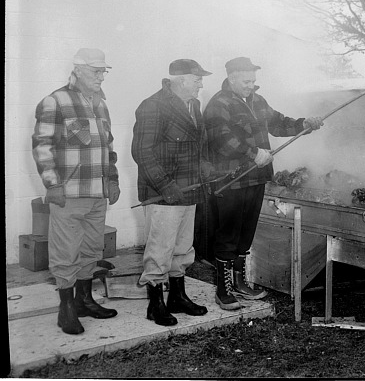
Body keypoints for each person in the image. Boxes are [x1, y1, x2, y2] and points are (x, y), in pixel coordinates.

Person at [204, 57, 324, 310]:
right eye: (246, 81)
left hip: (257, 178)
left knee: (246, 232)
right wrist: (252, 153)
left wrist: (304, 124)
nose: (251, 85)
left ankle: (239, 282)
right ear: (232, 78)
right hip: (231, 180)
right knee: (228, 234)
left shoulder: (257, 101)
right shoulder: (219, 104)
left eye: (253, 81)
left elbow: (279, 123)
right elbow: (221, 141)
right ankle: (223, 290)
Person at [32, 48, 120, 335]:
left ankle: (84, 301)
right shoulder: (55, 101)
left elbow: (108, 147)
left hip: (97, 194)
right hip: (68, 194)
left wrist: (113, 180)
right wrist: (52, 184)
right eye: (96, 70)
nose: (101, 76)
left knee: (91, 250)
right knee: (65, 252)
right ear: (78, 69)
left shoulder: (101, 103)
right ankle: (66, 309)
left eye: (103, 71)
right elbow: (42, 145)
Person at [131, 59, 217, 326]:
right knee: (160, 249)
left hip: (190, 191)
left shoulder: (194, 105)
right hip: (163, 193)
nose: (201, 83)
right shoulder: (153, 106)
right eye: (197, 79)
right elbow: (142, 152)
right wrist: (166, 186)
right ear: (181, 80)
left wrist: (204, 168)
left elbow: (199, 144)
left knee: (182, 248)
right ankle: (154, 305)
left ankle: (177, 297)